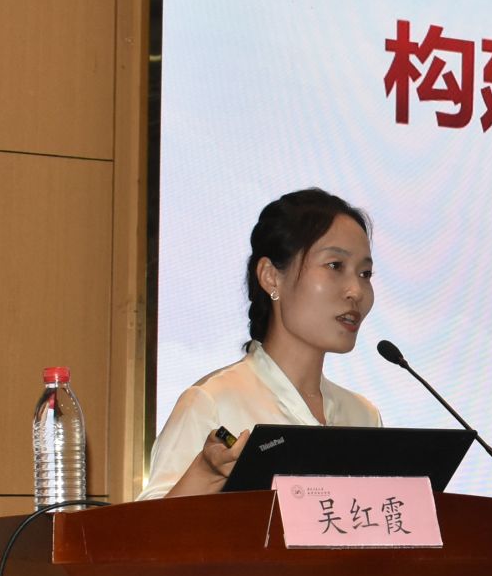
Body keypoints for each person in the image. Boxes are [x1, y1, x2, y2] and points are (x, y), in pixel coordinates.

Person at [139, 188, 381, 500]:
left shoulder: (363, 416)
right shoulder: (212, 403)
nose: (356, 291)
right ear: (270, 277)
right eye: (335, 265)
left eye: (365, 273)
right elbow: (149, 527)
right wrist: (206, 473)